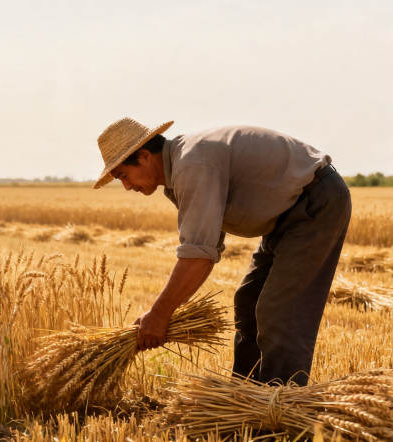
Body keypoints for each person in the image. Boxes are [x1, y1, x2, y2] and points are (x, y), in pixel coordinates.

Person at [93, 116, 351, 386]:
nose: (126, 186)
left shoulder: (192, 164)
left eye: (123, 175)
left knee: (277, 311)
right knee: (248, 301)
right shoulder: (182, 168)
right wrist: (161, 312)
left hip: (315, 202)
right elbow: (206, 245)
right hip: (285, 215)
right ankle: (245, 395)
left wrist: (158, 315)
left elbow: (199, 256)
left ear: (144, 156)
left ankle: (280, 407)